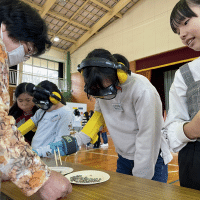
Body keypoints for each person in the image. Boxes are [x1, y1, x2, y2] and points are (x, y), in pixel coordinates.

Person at [49, 49, 173, 183]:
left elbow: (148, 137)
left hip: (152, 157)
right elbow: (97, 119)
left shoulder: (142, 90)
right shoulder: (100, 88)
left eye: (103, 86)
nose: (102, 94)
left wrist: (141, 178)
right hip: (124, 157)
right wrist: (75, 140)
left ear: (117, 75)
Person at [0, 0, 72, 199]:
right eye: (28, 50)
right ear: (7, 28)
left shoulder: (63, 112)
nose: (24, 58)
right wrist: (40, 177)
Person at [163, 0, 200, 190]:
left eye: (185, 22)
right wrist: (192, 129)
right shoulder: (185, 75)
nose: (182, 35)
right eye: (178, 32)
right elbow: (171, 131)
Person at [18, 80, 73, 158]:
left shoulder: (65, 113)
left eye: (43, 105)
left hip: (48, 157)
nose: (41, 108)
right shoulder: (42, 110)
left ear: (54, 99)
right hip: (35, 154)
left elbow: (60, 142)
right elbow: (29, 124)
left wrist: (38, 152)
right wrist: (12, 136)